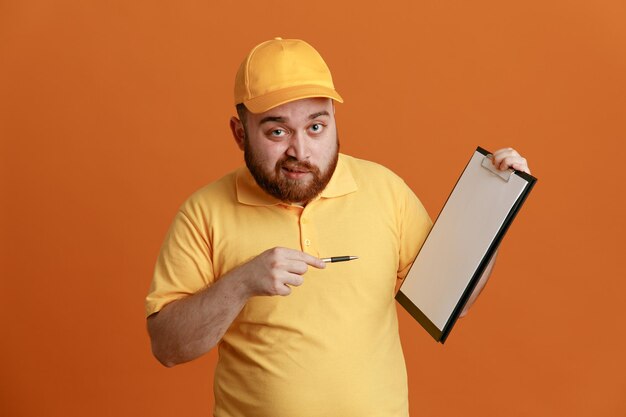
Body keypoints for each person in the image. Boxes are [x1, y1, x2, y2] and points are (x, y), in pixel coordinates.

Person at [145, 37, 531, 417]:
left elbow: (454, 301)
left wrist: (493, 207)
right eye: (277, 131)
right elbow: (168, 347)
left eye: (316, 127)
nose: (301, 150)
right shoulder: (203, 213)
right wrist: (241, 282)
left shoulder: (385, 190)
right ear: (239, 133)